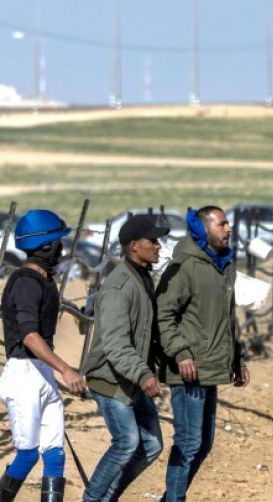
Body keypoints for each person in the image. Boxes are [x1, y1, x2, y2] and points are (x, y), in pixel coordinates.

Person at [155, 206, 249, 502]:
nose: (229, 229)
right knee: (187, 443)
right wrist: (180, 352)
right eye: (222, 224)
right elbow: (163, 314)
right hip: (188, 370)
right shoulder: (184, 267)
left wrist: (237, 359)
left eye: (228, 223)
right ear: (204, 229)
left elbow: (226, 319)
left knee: (203, 443)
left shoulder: (224, 265)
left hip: (210, 367)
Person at [80, 215, 171, 502]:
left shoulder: (142, 277)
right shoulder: (119, 286)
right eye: (152, 241)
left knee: (152, 445)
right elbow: (115, 343)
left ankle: (107, 497)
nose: (158, 246)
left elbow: (145, 332)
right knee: (126, 443)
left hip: (131, 376)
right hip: (111, 379)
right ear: (134, 246)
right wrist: (144, 374)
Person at [0, 209, 86, 502]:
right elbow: (29, 335)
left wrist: (53, 370)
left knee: (54, 453)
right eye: (58, 242)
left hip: (42, 371)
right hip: (24, 375)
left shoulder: (43, 281)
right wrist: (66, 369)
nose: (61, 249)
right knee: (27, 454)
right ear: (46, 246)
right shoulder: (25, 283)